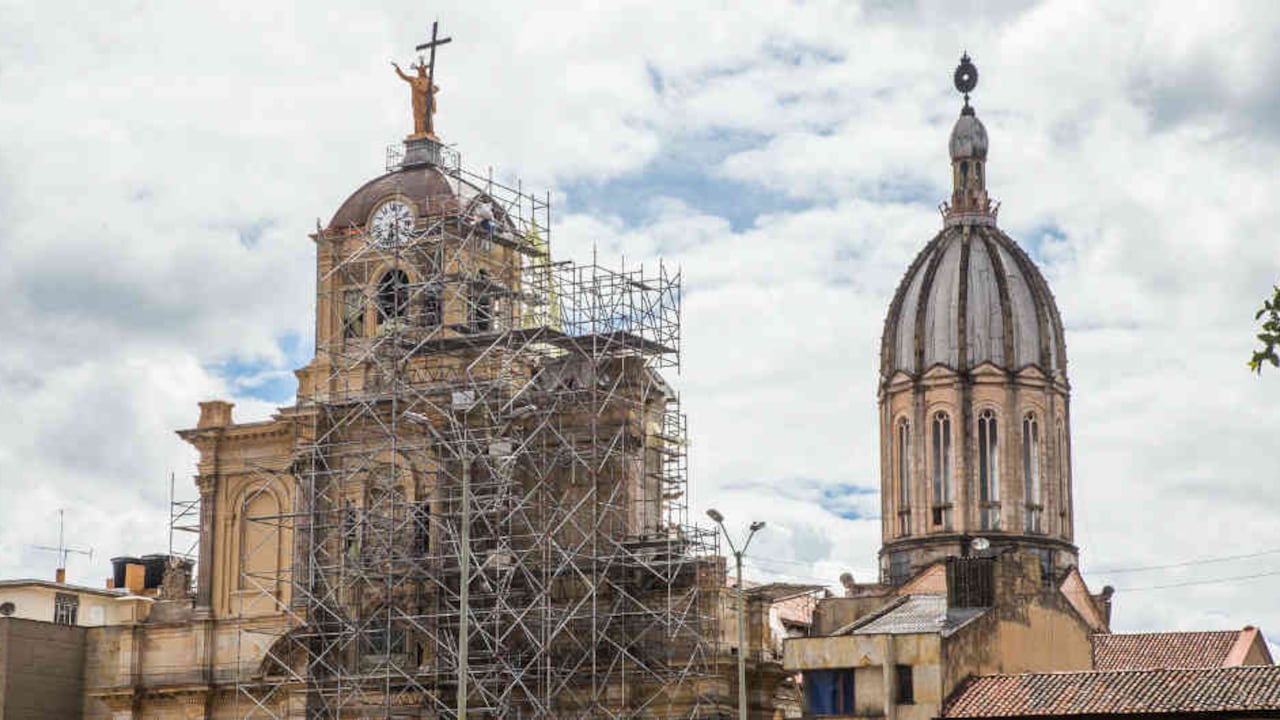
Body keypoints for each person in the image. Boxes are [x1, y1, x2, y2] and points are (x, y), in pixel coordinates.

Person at [391, 61, 439, 137]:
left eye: (423, 70)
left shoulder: (428, 81)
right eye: (420, 70)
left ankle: (428, 131)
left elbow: (436, 89)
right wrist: (398, 69)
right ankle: (419, 132)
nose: (421, 72)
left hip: (426, 103)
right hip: (417, 103)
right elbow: (404, 77)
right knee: (418, 117)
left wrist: (430, 90)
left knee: (427, 117)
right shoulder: (414, 80)